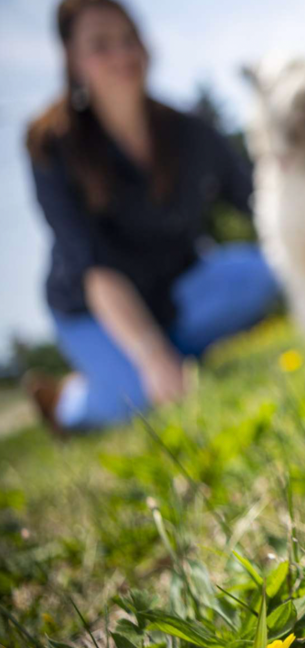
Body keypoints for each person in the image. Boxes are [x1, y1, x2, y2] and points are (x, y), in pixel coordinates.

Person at [24, 0, 280, 434]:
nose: (122, 55)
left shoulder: (189, 132)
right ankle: (67, 401)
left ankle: (171, 357)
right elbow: (91, 265)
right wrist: (150, 354)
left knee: (265, 272)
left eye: (129, 40)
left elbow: (260, 198)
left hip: (178, 294)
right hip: (95, 310)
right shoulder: (51, 145)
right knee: (140, 395)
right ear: (72, 58)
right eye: (101, 45)